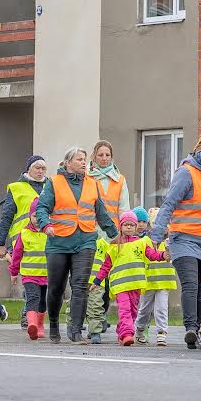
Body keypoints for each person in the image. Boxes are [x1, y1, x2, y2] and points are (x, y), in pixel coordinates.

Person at [147, 135, 201, 350]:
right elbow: (169, 204)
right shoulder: (186, 173)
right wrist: (156, 236)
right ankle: (190, 329)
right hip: (182, 239)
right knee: (190, 285)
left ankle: (197, 332)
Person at [32, 146, 120, 344]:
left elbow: (101, 212)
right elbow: (42, 208)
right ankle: (53, 323)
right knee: (56, 287)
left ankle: (75, 331)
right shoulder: (54, 183)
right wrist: (45, 225)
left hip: (86, 240)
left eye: (84, 159)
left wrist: (114, 233)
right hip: (59, 242)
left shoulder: (93, 183)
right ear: (68, 162)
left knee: (80, 285)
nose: (83, 162)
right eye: (79, 159)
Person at [94, 210, 165, 347]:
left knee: (133, 311)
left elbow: (152, 254)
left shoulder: (141, 243)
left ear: (135, 227)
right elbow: (105, 266)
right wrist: (97, 281)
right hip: (120, 286)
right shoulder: (114, 245)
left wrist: (163, 255)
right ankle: (127, 334)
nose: (129, 227)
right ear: (120, 227)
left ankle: (122, 331)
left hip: (135, 285)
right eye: (126, 225)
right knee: (125, 309)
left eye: (132, 225)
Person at [135, 208, 174, 347]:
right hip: (149, 281)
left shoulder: (172, 241)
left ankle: (161, 333)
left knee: (161, 309)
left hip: (164, 282)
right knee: (144, 310)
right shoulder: (146, 241)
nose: (164, 228)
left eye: (167, 225)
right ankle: (139, 329)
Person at [9, 216, 50, 340]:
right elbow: (17, 254)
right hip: (29, 275)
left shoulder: (49, 233)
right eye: (34, 216)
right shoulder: (24, 233)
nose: (37, 218)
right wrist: (14, 272)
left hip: (46, 274)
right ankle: (32, 324)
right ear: (30, 216)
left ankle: (40, 325)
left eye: (40, 215)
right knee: (33, 298)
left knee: (43, 301)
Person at [89, 141, 129, 218]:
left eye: (107, 155)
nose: (104, 158)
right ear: (94, 157)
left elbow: (124, 209)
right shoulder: (86, 177)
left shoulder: (120, 180)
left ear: (111, 157)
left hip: (113, 228)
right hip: (91, 228)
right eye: (100, 155)